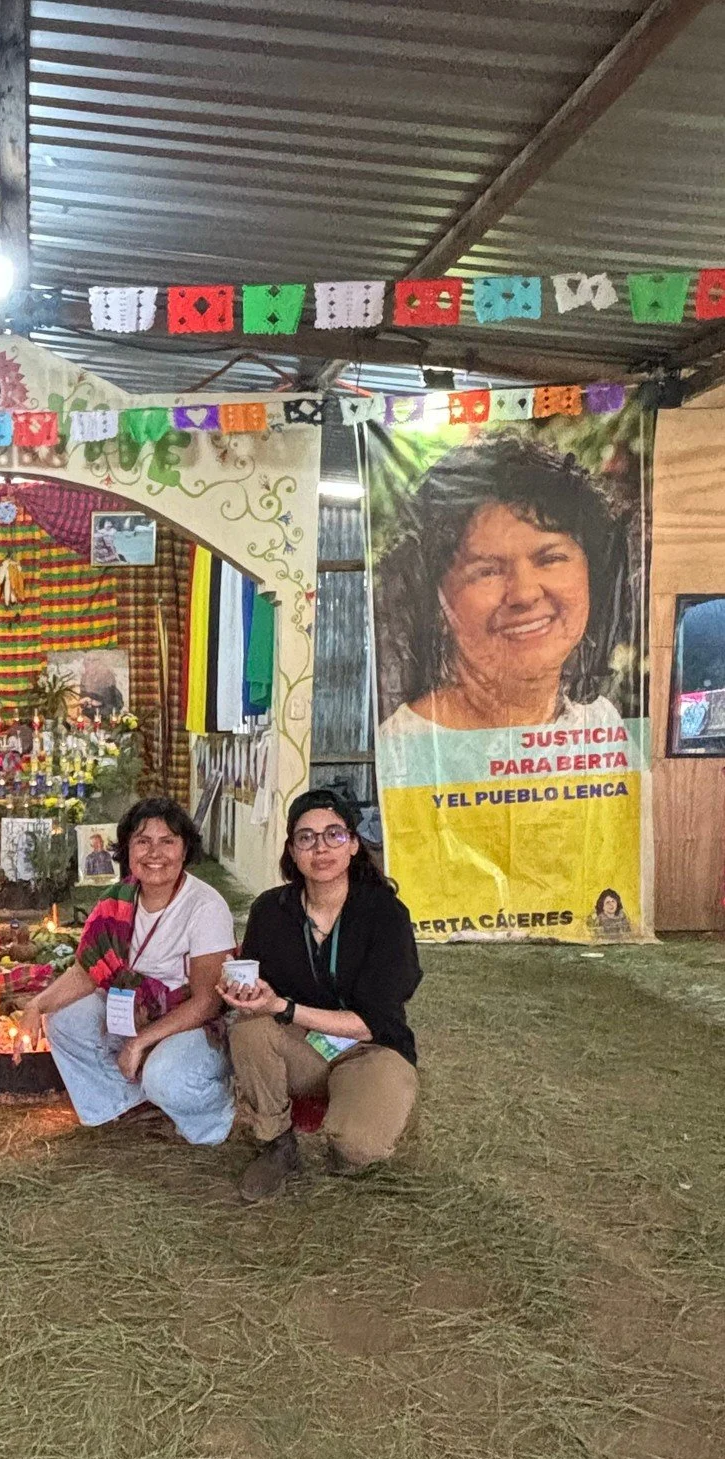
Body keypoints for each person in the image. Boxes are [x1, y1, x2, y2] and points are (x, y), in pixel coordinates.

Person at [223, 788, 422, 1200]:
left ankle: (358, 1122)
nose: (321, 848)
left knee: (358, 1146)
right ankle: (277, 1143)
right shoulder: (270, 911)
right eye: (306, 837)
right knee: (248, 1029)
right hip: (302, 1045)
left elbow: (372, 1023)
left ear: (353, 844)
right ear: (292, 851)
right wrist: (242, 993)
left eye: (334, 834)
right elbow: (260, 990)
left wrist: (283, 1007)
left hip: (372, 1048)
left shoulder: (385, 915)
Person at [376, 435, 631, 738]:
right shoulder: (409, 744)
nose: (524, 593)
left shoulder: (599, 723)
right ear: (438, 602)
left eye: (550, 558)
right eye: (488, 572)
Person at [17, 796, 236, 1146]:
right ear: (127, 849)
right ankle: (126, 1103)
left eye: (167, 841)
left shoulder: (206, 907)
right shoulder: (117, 900)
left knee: (165, 1076)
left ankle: (216, 1116)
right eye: (143, 841)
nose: (155, 853)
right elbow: (87, 972)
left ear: (185, 849)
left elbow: (208, 1002)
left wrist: (139, 1043)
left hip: (193, 1024)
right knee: (64, 1020)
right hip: (134, 1012)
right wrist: (36, 1005)